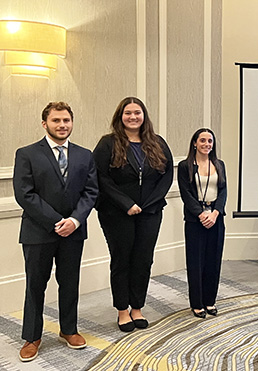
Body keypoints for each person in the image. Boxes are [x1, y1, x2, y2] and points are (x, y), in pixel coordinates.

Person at [13, 102, 98, 362]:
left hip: (73, 232)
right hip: (38, 232)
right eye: (56, 121)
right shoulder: (26, 153)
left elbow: (91, 191)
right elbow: (24, 194)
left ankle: (69, 329)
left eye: (66, 121)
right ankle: (32, 336)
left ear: (72, 123)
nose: (62, 125)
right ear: (45, 124)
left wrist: (74, 220)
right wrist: (55, 221)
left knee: (70, 282)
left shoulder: (85, 155)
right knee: (35, 285)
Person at [93, 97, 173, 332]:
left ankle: (137, 307)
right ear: (120, 117)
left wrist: (149, 203)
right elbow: (100, 178)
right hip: (116, 213)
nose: (133, 117)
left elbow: (166, 175)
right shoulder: (107, 144)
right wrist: (126, 203)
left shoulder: (157, 142)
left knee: (143, 260)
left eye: (137, 113)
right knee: (122, 260)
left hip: (150, 212)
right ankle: (122, 310)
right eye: (127, 113)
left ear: (144, 116)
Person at [178, 128, 227, 318]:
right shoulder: (185, 166)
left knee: (213, 261)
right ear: (195, 143)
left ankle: (210, 301)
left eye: (210, 141)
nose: (207, 144)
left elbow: (223, 191)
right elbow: (185, 194)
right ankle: (197, 303)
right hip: (195, 218)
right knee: (196, 262)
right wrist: (201, 214)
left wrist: (215, 213)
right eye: (203, 140)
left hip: (216, 217)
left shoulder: (219, 164)